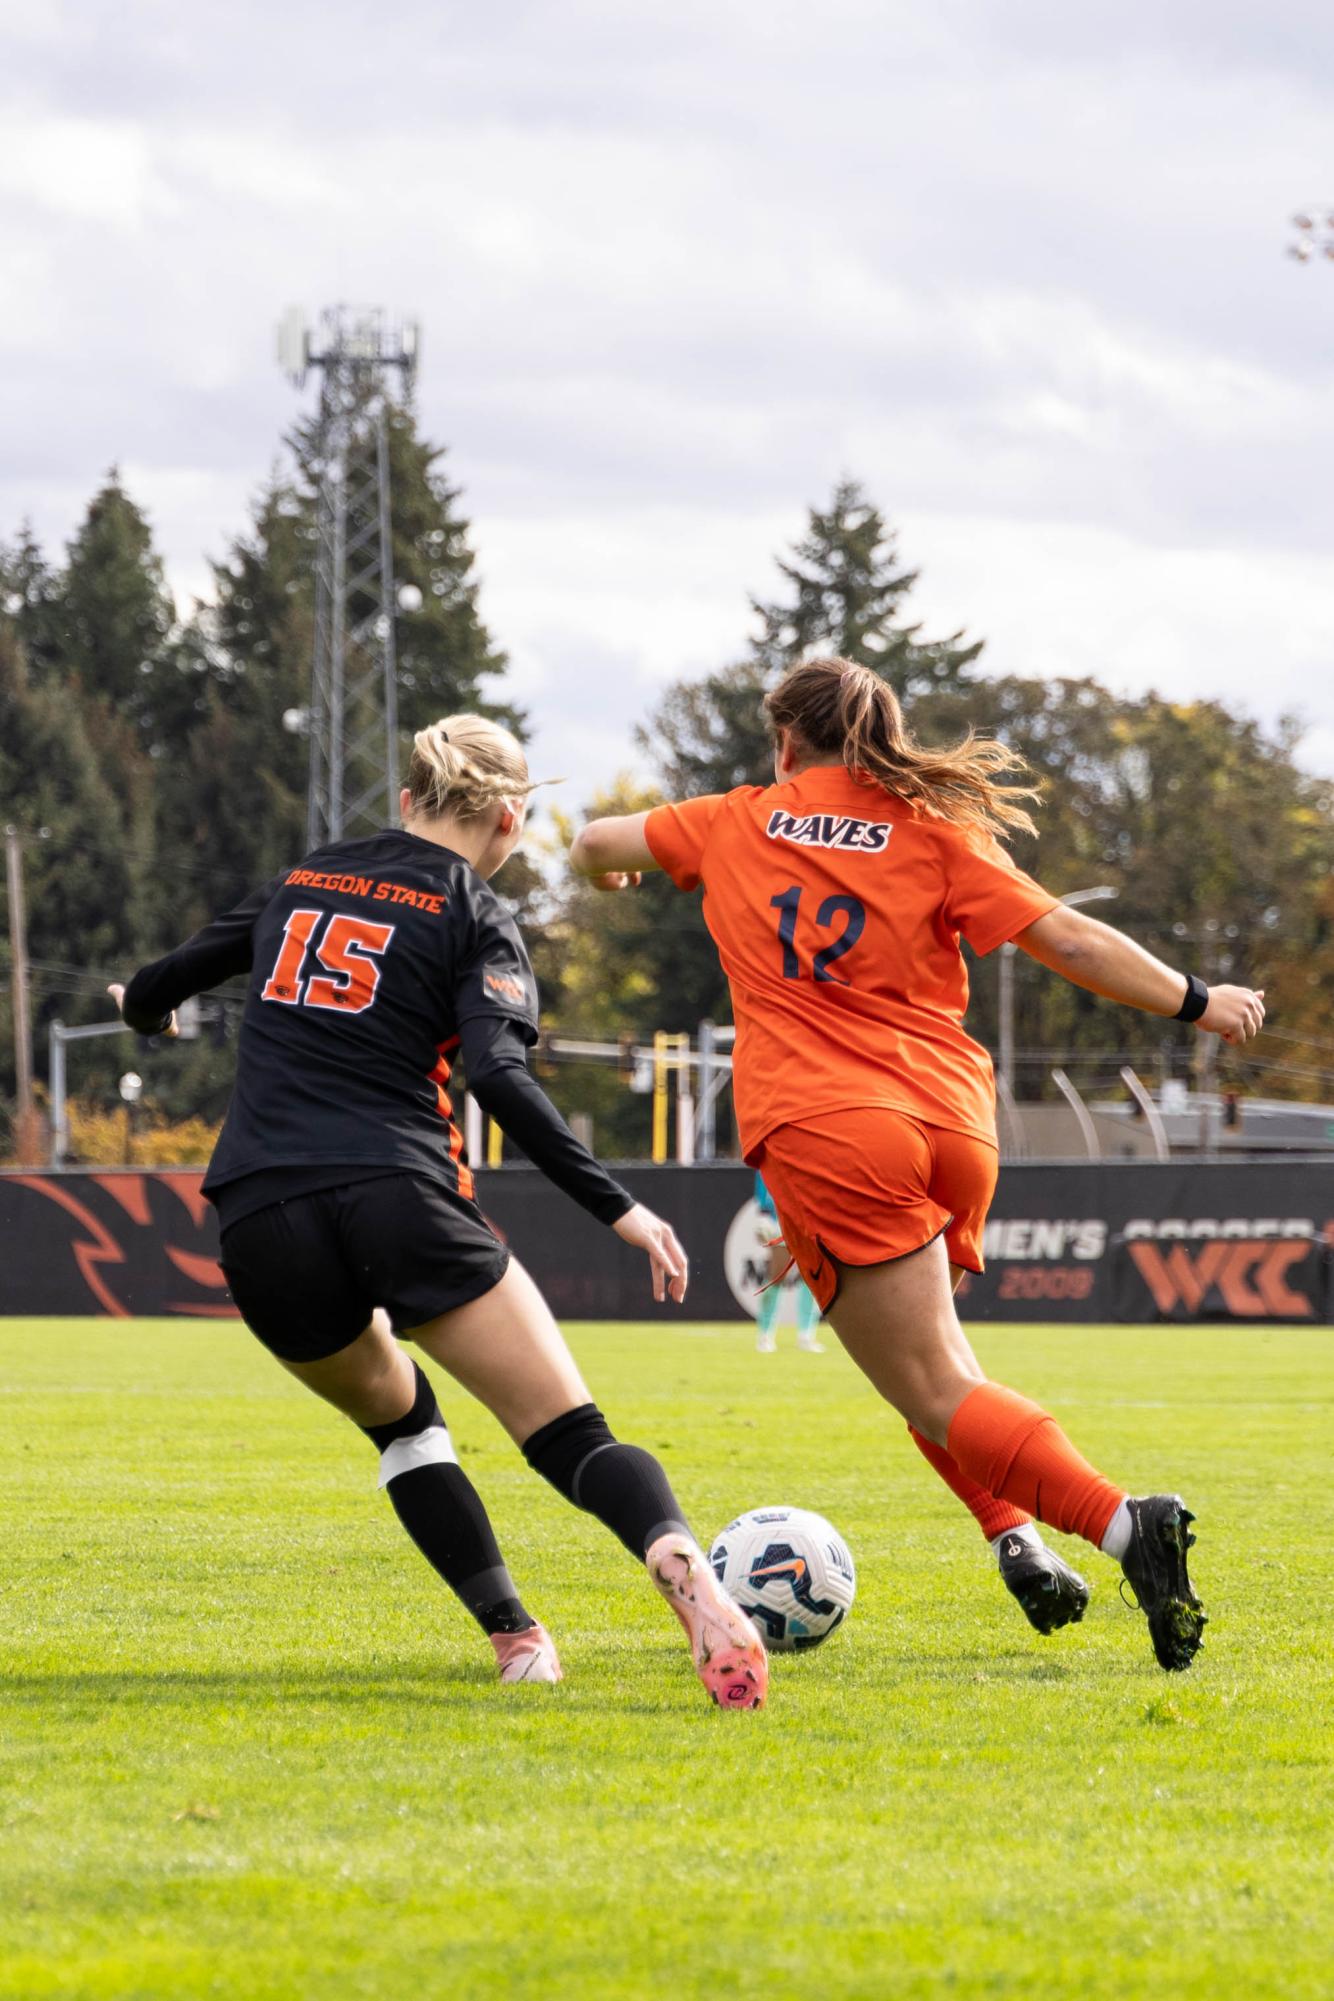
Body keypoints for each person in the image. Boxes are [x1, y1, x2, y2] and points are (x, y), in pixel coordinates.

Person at [569, 658, 1267, 1672]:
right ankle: (1014, 1541)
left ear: (785, 743)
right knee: (938, 1378)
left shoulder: (735, 817)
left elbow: (591, 844)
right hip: (950, 1121)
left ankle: (1127, 1526)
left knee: (933, 1384)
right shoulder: (931, 832)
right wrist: (1194, 998)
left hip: (828, 1124)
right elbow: (1064, 936)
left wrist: (611, 871)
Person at [110, 714, 767, 1709]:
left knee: (405, 1427)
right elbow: (496, 1077)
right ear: (509, 818)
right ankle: (673, 1554)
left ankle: (515, 1638)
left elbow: (158, 985)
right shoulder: (473, 911)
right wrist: (618, 1208)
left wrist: (145, 1013)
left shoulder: (307, 878)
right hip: (395, 1195)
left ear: (409, 802)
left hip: (258, 1215)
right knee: (570, 1437)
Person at [753, 1170, 824, 1354]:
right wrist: (763, 1212)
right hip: (780, 1221)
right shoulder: (772, 1151)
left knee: (811, 1278)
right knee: (776, 1276)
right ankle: (765, 1335)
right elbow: (762, 1178)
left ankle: (806, 1335)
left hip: (808, 1221)